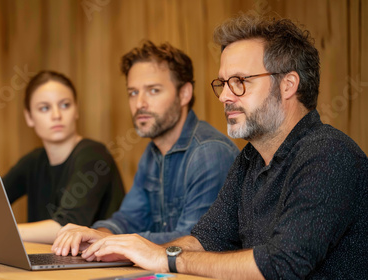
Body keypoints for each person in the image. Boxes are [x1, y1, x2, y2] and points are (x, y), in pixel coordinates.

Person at [53, 16, 368, 279]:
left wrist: (166, 259)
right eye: (223, 83)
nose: (224, 97)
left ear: (288, 84)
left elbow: (281, 264)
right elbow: (205, 240)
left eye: (240, 82)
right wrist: (129, 249)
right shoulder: (250, 160)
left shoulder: (328, 154)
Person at [51, 41, 239, 255]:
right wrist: (93, 236)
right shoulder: (152, 154)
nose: (140, 103)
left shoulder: (209, 152)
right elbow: (128, 218)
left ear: (184, 94)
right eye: (132, 93)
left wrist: (111, 241)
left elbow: (195, 242)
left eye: (153, 90)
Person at [0, 70, 125, 243]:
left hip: (98, 266)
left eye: (65, 105)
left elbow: (68, 227)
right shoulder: (34, 160)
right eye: (45, 108)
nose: (56, 115)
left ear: (76, 111)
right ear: (29, 117)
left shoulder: (94, 155)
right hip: (52, 260)